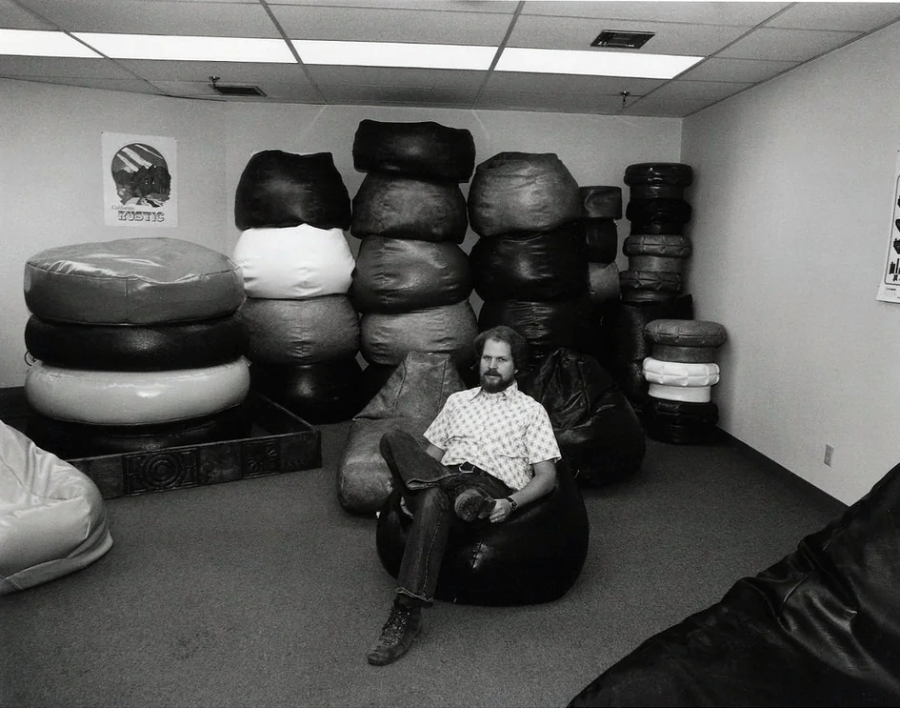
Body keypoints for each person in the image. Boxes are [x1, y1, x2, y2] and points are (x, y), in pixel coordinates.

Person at [367, 325, 561, 666]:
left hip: (487, 487)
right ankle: (449, 493)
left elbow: (547, 477)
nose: (492, 365)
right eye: (487, 357)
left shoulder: (532, 411)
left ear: (516, 366)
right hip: (449, 480)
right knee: (394, 439)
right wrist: (411, 483)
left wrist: (511, 502)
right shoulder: (457, 402)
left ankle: (405, 615)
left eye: (502, 359)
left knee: (430, 498)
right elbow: (428, 457)